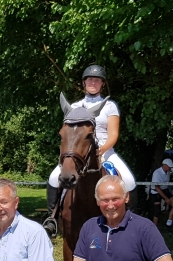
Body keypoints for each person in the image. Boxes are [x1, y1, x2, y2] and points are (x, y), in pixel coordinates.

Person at [44, 65, 135, 235]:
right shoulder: (75, 106)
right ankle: (52, 218)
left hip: (105, 152)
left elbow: (113, 134)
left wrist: (102, 149)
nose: (93, 82)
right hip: (79, 153)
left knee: (129, 180)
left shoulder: (110, 106)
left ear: (102, 84)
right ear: (84, 82)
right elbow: (70, 134)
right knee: (53, 177)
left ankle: (131, 220)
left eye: (97, 80)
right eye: (90, 79)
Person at [149, 158, 173, 231]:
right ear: (164, 165)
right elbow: (157, 187)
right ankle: (154, 229)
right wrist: (166, 198)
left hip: (165, 190)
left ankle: (168, 224)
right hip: (156, 191)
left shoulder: (168, 171)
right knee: (157, 211)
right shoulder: (157, 173)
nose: (170, 168)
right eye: (169, 166)